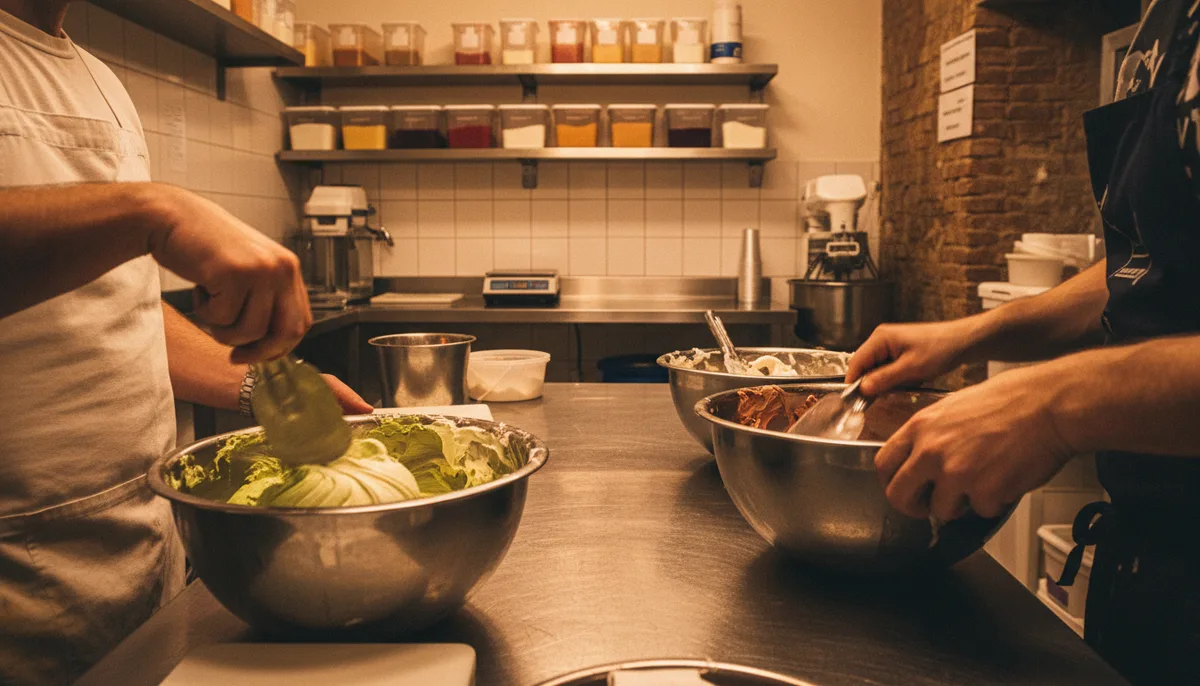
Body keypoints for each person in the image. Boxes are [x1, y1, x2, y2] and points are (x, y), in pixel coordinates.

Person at [0, 1, 371, 683]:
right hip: (17, 566)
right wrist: (155, 212)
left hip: (141, 541)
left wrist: (262, 387)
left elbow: (117, 301)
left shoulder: (96, 78)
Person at [846, 1, 1200, 683]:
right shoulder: (1166, 17)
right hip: (1152, 564)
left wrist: (1053, 407)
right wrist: (977, 334)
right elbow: (1148, 261)